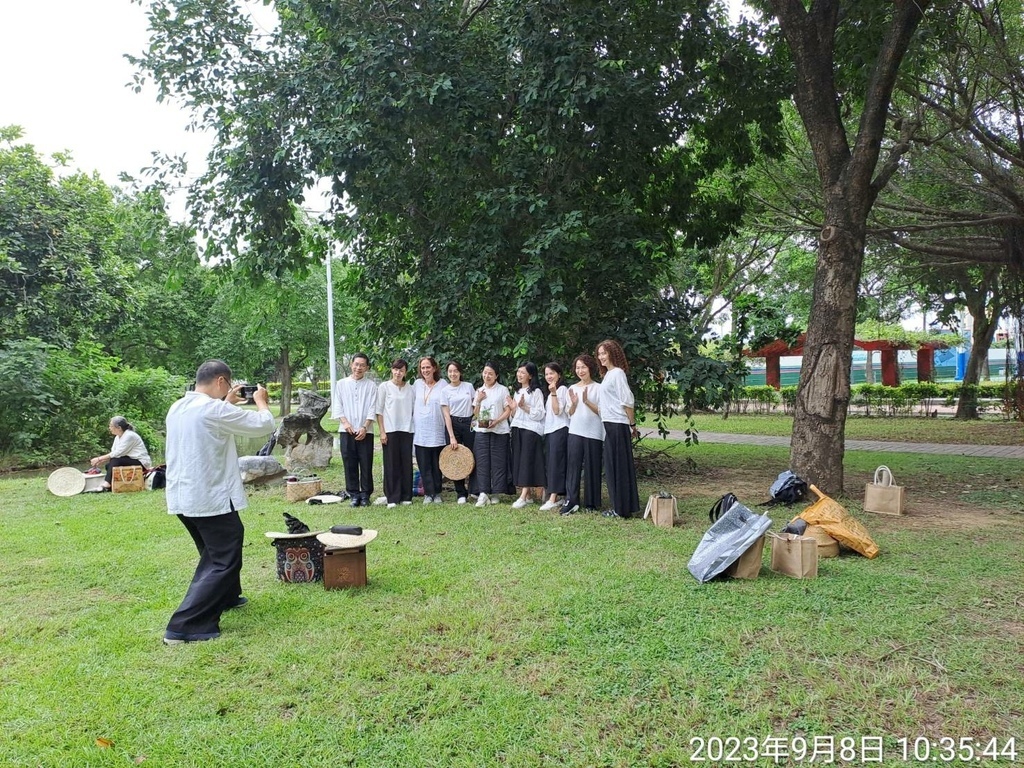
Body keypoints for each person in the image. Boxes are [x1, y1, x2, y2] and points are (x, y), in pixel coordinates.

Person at [163, 360, 276, 645]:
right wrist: (261, 401)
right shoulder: (214, 409)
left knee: (214, 551)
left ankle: (226, 596)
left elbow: (211, 425)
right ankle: (185, 626)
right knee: (221, 557)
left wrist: (227, 402)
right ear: (222, 381)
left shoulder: (178, 407)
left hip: (183, 496)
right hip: (208, 496)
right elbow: (263, 426)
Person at [596, 339, 640, 518]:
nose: (601, 357)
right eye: (599, 354)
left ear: (613, 353)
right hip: (610, 425)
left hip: (618, 425)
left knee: (618, 467)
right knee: (614, 467)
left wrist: (632, 424)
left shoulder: (617, 373)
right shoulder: (608, 375)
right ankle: (621, 506)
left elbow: (627, 401)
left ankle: (620, 509)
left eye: (604, 353)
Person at [332, 353, 377, 507]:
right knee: (349, 462)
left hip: (366, 430)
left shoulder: (371, 385)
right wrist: (345, 423)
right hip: (347, 430)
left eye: (362, 365)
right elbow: (338, 405)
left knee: (366, 462)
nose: (358, 368)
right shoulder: (341, 384)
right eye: (356, 364)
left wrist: (365, 426)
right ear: (351, 364)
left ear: (367, 368)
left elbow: (373, 407)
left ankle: (365, 495)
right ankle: (353, 494)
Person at [562, 354, 604, 516]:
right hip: (575, 431)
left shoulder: (598, 388)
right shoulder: (572, 388)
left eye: (583, 367)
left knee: (593, 467)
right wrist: (574, 403)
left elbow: (602, 411)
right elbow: (569, 413)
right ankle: (571, 500)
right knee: (573, 466)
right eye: (578, 368)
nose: (580, 371)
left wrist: (587, 401)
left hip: (594, 432)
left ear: (590, 368)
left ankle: (592, 502)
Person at [472, 361, 512, 507]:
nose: (487, 375)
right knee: (482, 462)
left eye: (490, 373)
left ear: (496, 376)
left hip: (499, 430)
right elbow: (475, 414)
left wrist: (497, 421)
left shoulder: (502, 390)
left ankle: (496, 492)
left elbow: (508, 410)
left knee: (498, 462)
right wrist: (478, 401)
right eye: (485, 372)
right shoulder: (479, 391)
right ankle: (483, 492)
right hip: (481, 430)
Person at [376, 359, 414, 508]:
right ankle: (392, 497)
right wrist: (382, 431)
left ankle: (406, 495)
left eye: (401, 370)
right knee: (391, 464)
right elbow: (379, 411)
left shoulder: (410, 388)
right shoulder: (384, 387)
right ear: (392, 370)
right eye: (395, 369)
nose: (398, 373)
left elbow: (412, 409)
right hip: (390, 430)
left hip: (407, 429)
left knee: (406, 463)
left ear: (405, 372)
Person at [508, 361, 546, 509]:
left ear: (530, 375)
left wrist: (525, 407)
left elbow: (540, 414)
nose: (519, 374)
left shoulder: (535, 392)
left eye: (523, 372)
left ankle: (523, 496)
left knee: (526, 461)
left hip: (531, 430)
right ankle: (528, 495)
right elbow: (515, 416)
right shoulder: (517, 392)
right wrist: (513, 408)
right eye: (518, 372)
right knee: (518, 460)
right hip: (517, 428)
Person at [440, 360, 476, 504]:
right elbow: (446, 415)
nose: (453, 374)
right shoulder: (445, 391)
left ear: (460, 372)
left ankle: (474, 489)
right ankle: (461, 493)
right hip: (453, 424)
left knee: (472, 457)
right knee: (456, 459)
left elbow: (475, 408)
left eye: (455, 371)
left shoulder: (469, 386)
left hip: (469, 423)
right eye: (450, 371)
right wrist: (452, 436)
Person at [413, 356, 447, 504]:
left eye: (428, 367)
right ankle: (428, 493)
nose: (425, 370)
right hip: (420, 431)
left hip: (437, 430)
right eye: (423, 368)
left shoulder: (443, 384)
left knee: (436, 464)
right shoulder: (416, 385)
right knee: (424, 464)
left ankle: (437, 492)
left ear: (434, 368)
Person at [90, 416, 152, 491]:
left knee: (116, 460)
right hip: (130, 459)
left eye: (111, 426)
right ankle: (113, 484)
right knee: (108, 466)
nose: (109, 428)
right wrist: (101, 461)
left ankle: (107, 485)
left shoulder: (129, 435)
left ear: (119, 428)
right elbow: (114, 452)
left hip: (141, 462)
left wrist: (99, 458)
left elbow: (118, 453)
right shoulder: (118, 437)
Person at [540, 362, 570, 511]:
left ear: (559, 374)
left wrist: (553, 393)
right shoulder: (550, 391)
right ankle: (557, 496)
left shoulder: (562, 389)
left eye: (552, 373)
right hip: (550, 431)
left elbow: (558, 411)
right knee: (551, 463)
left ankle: (553, 497)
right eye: (546, 374)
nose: (549, 376)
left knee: (557, 464)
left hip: (560, 429)